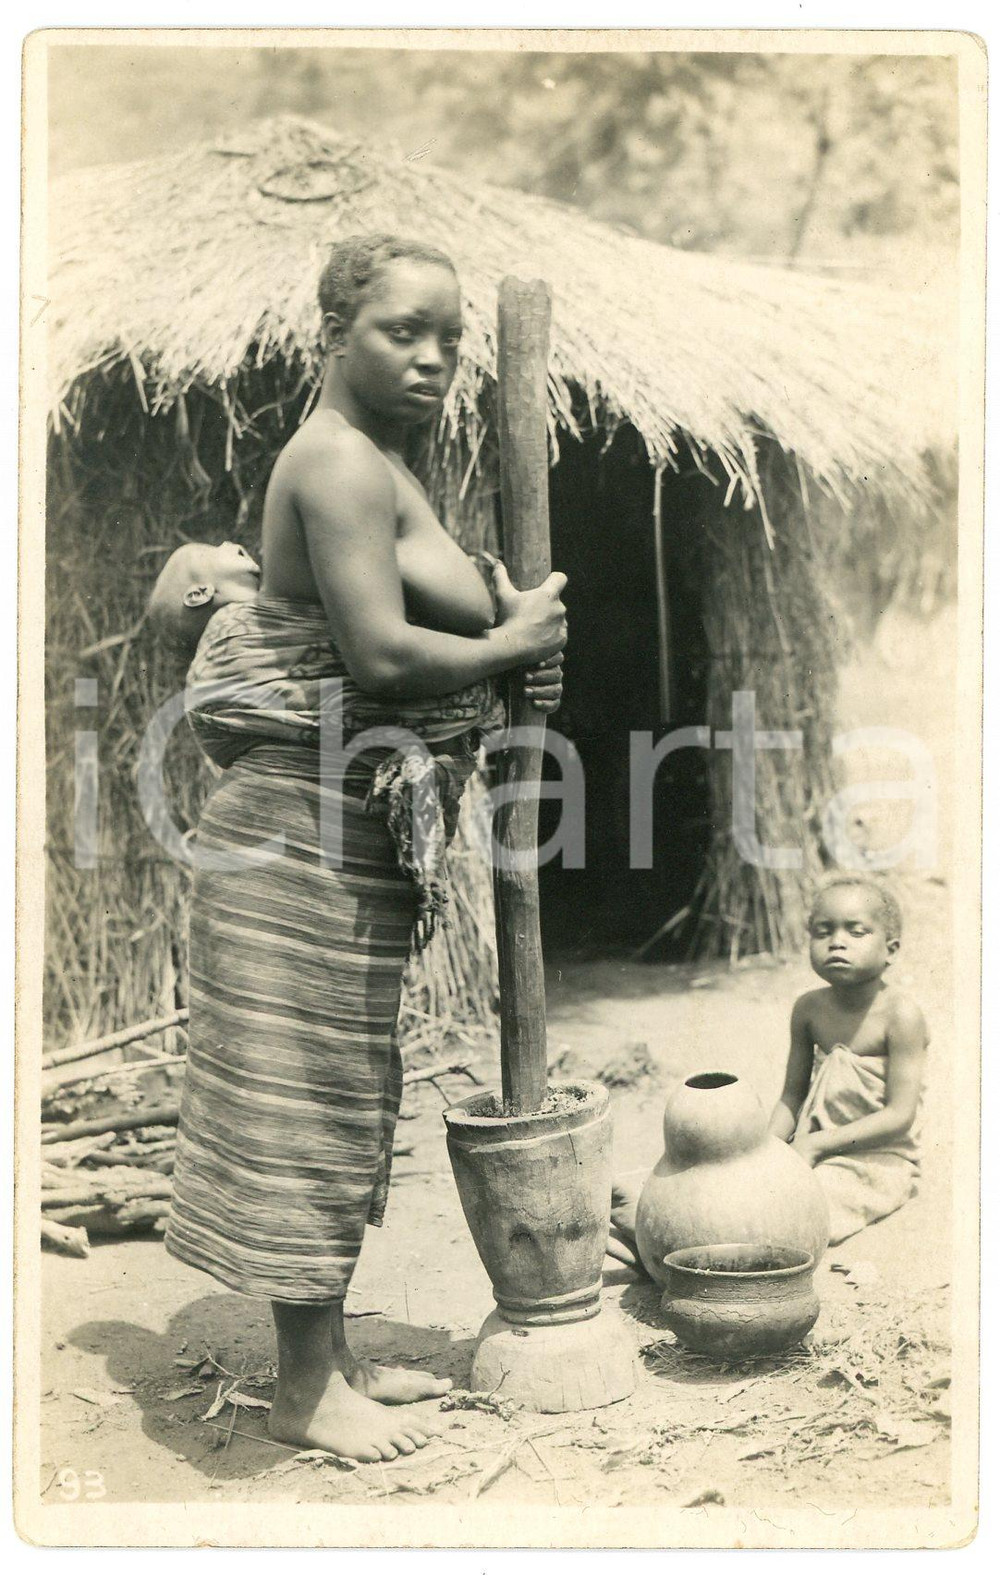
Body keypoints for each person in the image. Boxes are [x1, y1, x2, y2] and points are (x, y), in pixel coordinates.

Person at [162, 233, 568, 1463]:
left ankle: (326, 1357)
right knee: (305, 1099)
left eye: (453, 335)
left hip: (348, 825)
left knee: (345, 1090)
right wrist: (516, 640)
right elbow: (381, 656)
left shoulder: (384, 464)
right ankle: (300, 1389)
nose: (438, 357)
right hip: (294, 828)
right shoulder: (335, 462)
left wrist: (508, 619)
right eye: (405, 330)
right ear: (332, 334)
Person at [768, 875, 928, 1246]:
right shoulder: (808, 1009)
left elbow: (899, 1115)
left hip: (878, 1157)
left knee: (805, 1207)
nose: (836, 941)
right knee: (746, 1177)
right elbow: (792, 1096)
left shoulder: (901, 1016)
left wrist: (818, 1145)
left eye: (856, 932)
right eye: (823, 931)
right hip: (811, 1146)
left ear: (890, 950)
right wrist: (767, 1149)